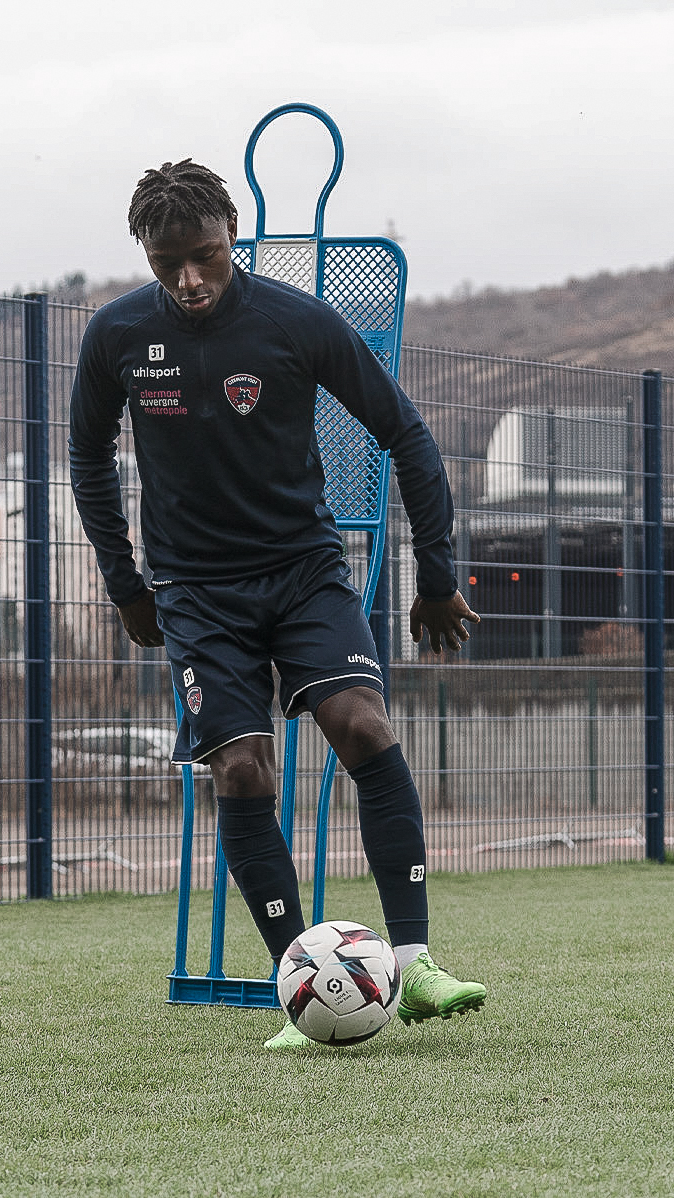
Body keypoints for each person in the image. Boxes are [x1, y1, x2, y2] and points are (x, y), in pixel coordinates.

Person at [68, 159, 486, 1049]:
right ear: (143, 250)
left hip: (303, 572)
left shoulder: (297, 323)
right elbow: (87, 463)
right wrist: (126, 585)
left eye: (207, 255)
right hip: (195, 594)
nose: (189, 278)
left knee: (364, 727)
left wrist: (438, 575)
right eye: (168, 260)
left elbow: (404, 434)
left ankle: (412, 966)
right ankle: (300, 989)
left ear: (231, 236)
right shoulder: (115, 336)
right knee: (245, 770)